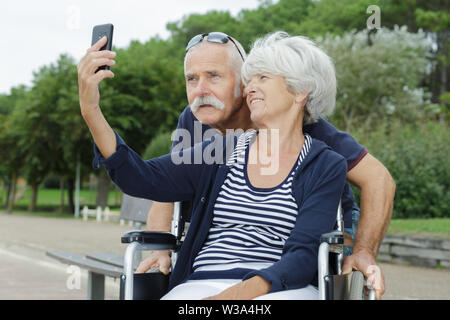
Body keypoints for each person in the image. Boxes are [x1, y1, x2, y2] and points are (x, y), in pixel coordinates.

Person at [77, 31, 394, 298]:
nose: (201, 90)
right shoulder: (203, 132)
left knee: (334, 261)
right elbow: (159, 183)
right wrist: (161, 243)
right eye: (192, 79)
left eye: (214, 76)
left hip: (307, 240)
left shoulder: (322, 148)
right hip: (211, 274)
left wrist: (361, 252)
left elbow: (377, 182)